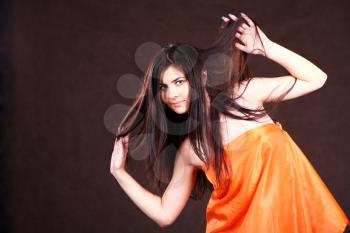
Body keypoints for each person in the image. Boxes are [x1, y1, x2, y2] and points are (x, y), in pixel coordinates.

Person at [110, 12, 349, 232]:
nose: (170, 94)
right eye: (163, 87)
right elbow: (165, 214)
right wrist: (119, 173)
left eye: (179, 82)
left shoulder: (244, 95)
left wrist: (266, 48)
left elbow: (316, 79)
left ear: (201, 77)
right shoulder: (191, 150)